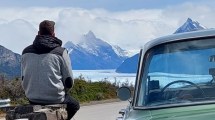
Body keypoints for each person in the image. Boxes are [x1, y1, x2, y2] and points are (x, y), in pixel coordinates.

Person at [21, 20, 80, 120]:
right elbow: (69, 82)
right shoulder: (61, 52)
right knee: (75, 105)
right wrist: (62, 92)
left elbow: (23, 78)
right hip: (55, 98)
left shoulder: (25, 52)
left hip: (32, 98)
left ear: (38, 33)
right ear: (53, 34)